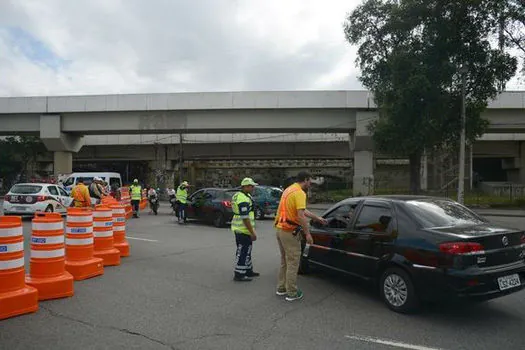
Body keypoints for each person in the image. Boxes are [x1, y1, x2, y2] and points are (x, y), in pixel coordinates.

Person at [274, 171, 327, 301]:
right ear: (306, 179)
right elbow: (300, 215)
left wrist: (317, 218)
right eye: (310, 181)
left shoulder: (289, 189)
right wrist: (308, 234)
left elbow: (302, 210)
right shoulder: (300, 193)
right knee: (293, 262)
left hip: (280, 229)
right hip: (290, 231)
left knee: (285, 260)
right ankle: (292, 292)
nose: (311, 183)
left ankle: (281, 288)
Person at [231, 177, 260, 282]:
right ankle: (239, 274)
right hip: (243, 229)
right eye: (251, 186)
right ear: (245, 187)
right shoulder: (243, 198)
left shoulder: (242, 195)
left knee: (247, 251)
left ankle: (248, 270)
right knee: (242, 251)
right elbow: (245, 217)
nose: (253, 188)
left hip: (241, 228)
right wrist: (252, 232)